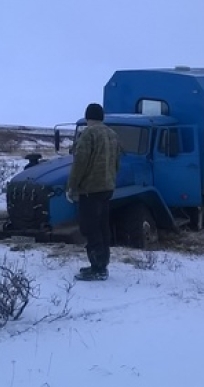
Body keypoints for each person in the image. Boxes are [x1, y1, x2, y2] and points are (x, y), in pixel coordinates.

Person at [66, 103, 120, 281]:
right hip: (107, 187)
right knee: (103, 226)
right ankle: (102, 263)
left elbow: (80, 162)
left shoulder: (88, 134)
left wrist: (72, 186)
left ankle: (97, 268)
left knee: (90, 227)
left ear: (87, 116)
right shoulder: (112, 134)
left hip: (90, 189)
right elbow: (117, 162)